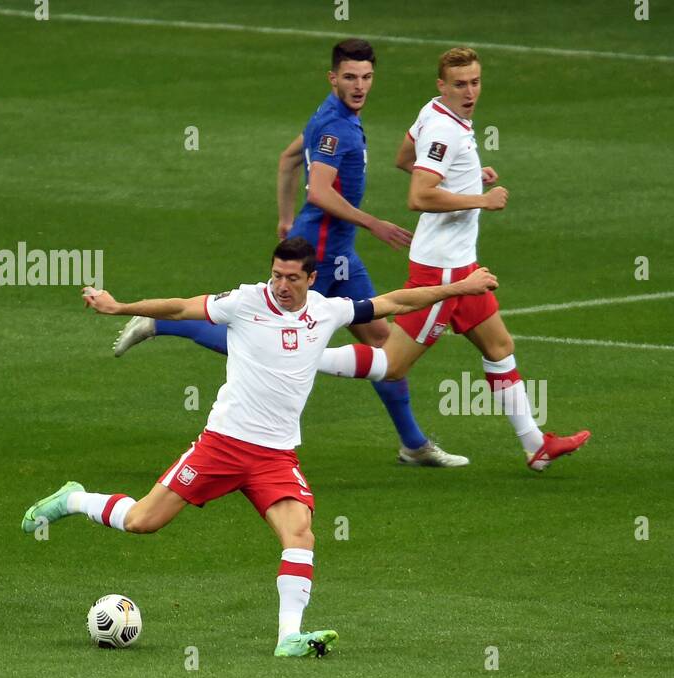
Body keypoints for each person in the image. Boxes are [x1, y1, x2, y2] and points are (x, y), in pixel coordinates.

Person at [21, 237, 497, 657]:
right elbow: (181, 306)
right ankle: (74, 498)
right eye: (276, 274)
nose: (281, 285)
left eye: (292, 277)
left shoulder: (328, 310)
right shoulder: (246, 302)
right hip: (223, 445)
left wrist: (460, 287)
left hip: (275, 456)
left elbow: (393, 301)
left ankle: (288, 636)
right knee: (143, 521)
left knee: (300, 535)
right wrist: (120, 307)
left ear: (312, 278)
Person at [110, 39, 465, 468]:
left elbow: (289, 157)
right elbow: (318, 190)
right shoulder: (337, 126)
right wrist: (373, 223)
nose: (359, 85)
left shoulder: (330, 114)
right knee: (268, 339)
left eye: (367, 77)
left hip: (339, 253)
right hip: (316, 255)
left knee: (383, 346)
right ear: (333, 77)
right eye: (350, 77)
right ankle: (163, 323)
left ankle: (412, 443)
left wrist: (283, 217)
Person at [385, 46, 590, 471]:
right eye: (460, 84)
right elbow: (418, 195)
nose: (470, 91)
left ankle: (535, 446)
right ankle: (298, 354)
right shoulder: (446, 130)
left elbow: (405, 158)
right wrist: (482, 198)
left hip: (463, 266)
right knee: (391, 366)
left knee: (499, 346)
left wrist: (465, 176)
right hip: (441, 268)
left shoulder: (433, 114)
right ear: (442, 85)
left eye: (475, 82)